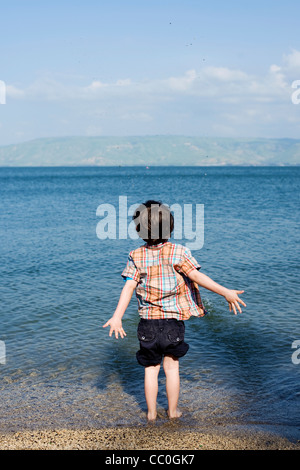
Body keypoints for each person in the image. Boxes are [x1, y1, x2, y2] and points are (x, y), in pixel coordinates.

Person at [103, 200, 246, 421]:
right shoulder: (179, 252)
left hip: (147, 323)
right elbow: (197, 276)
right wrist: (225, 291)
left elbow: (129, 286)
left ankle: (150, 414)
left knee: (151, 369)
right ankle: (173, 412)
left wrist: (117, 317)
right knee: (171, 368)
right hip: (172, 322)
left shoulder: (136, 255)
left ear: (139, 230)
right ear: (171, 228)